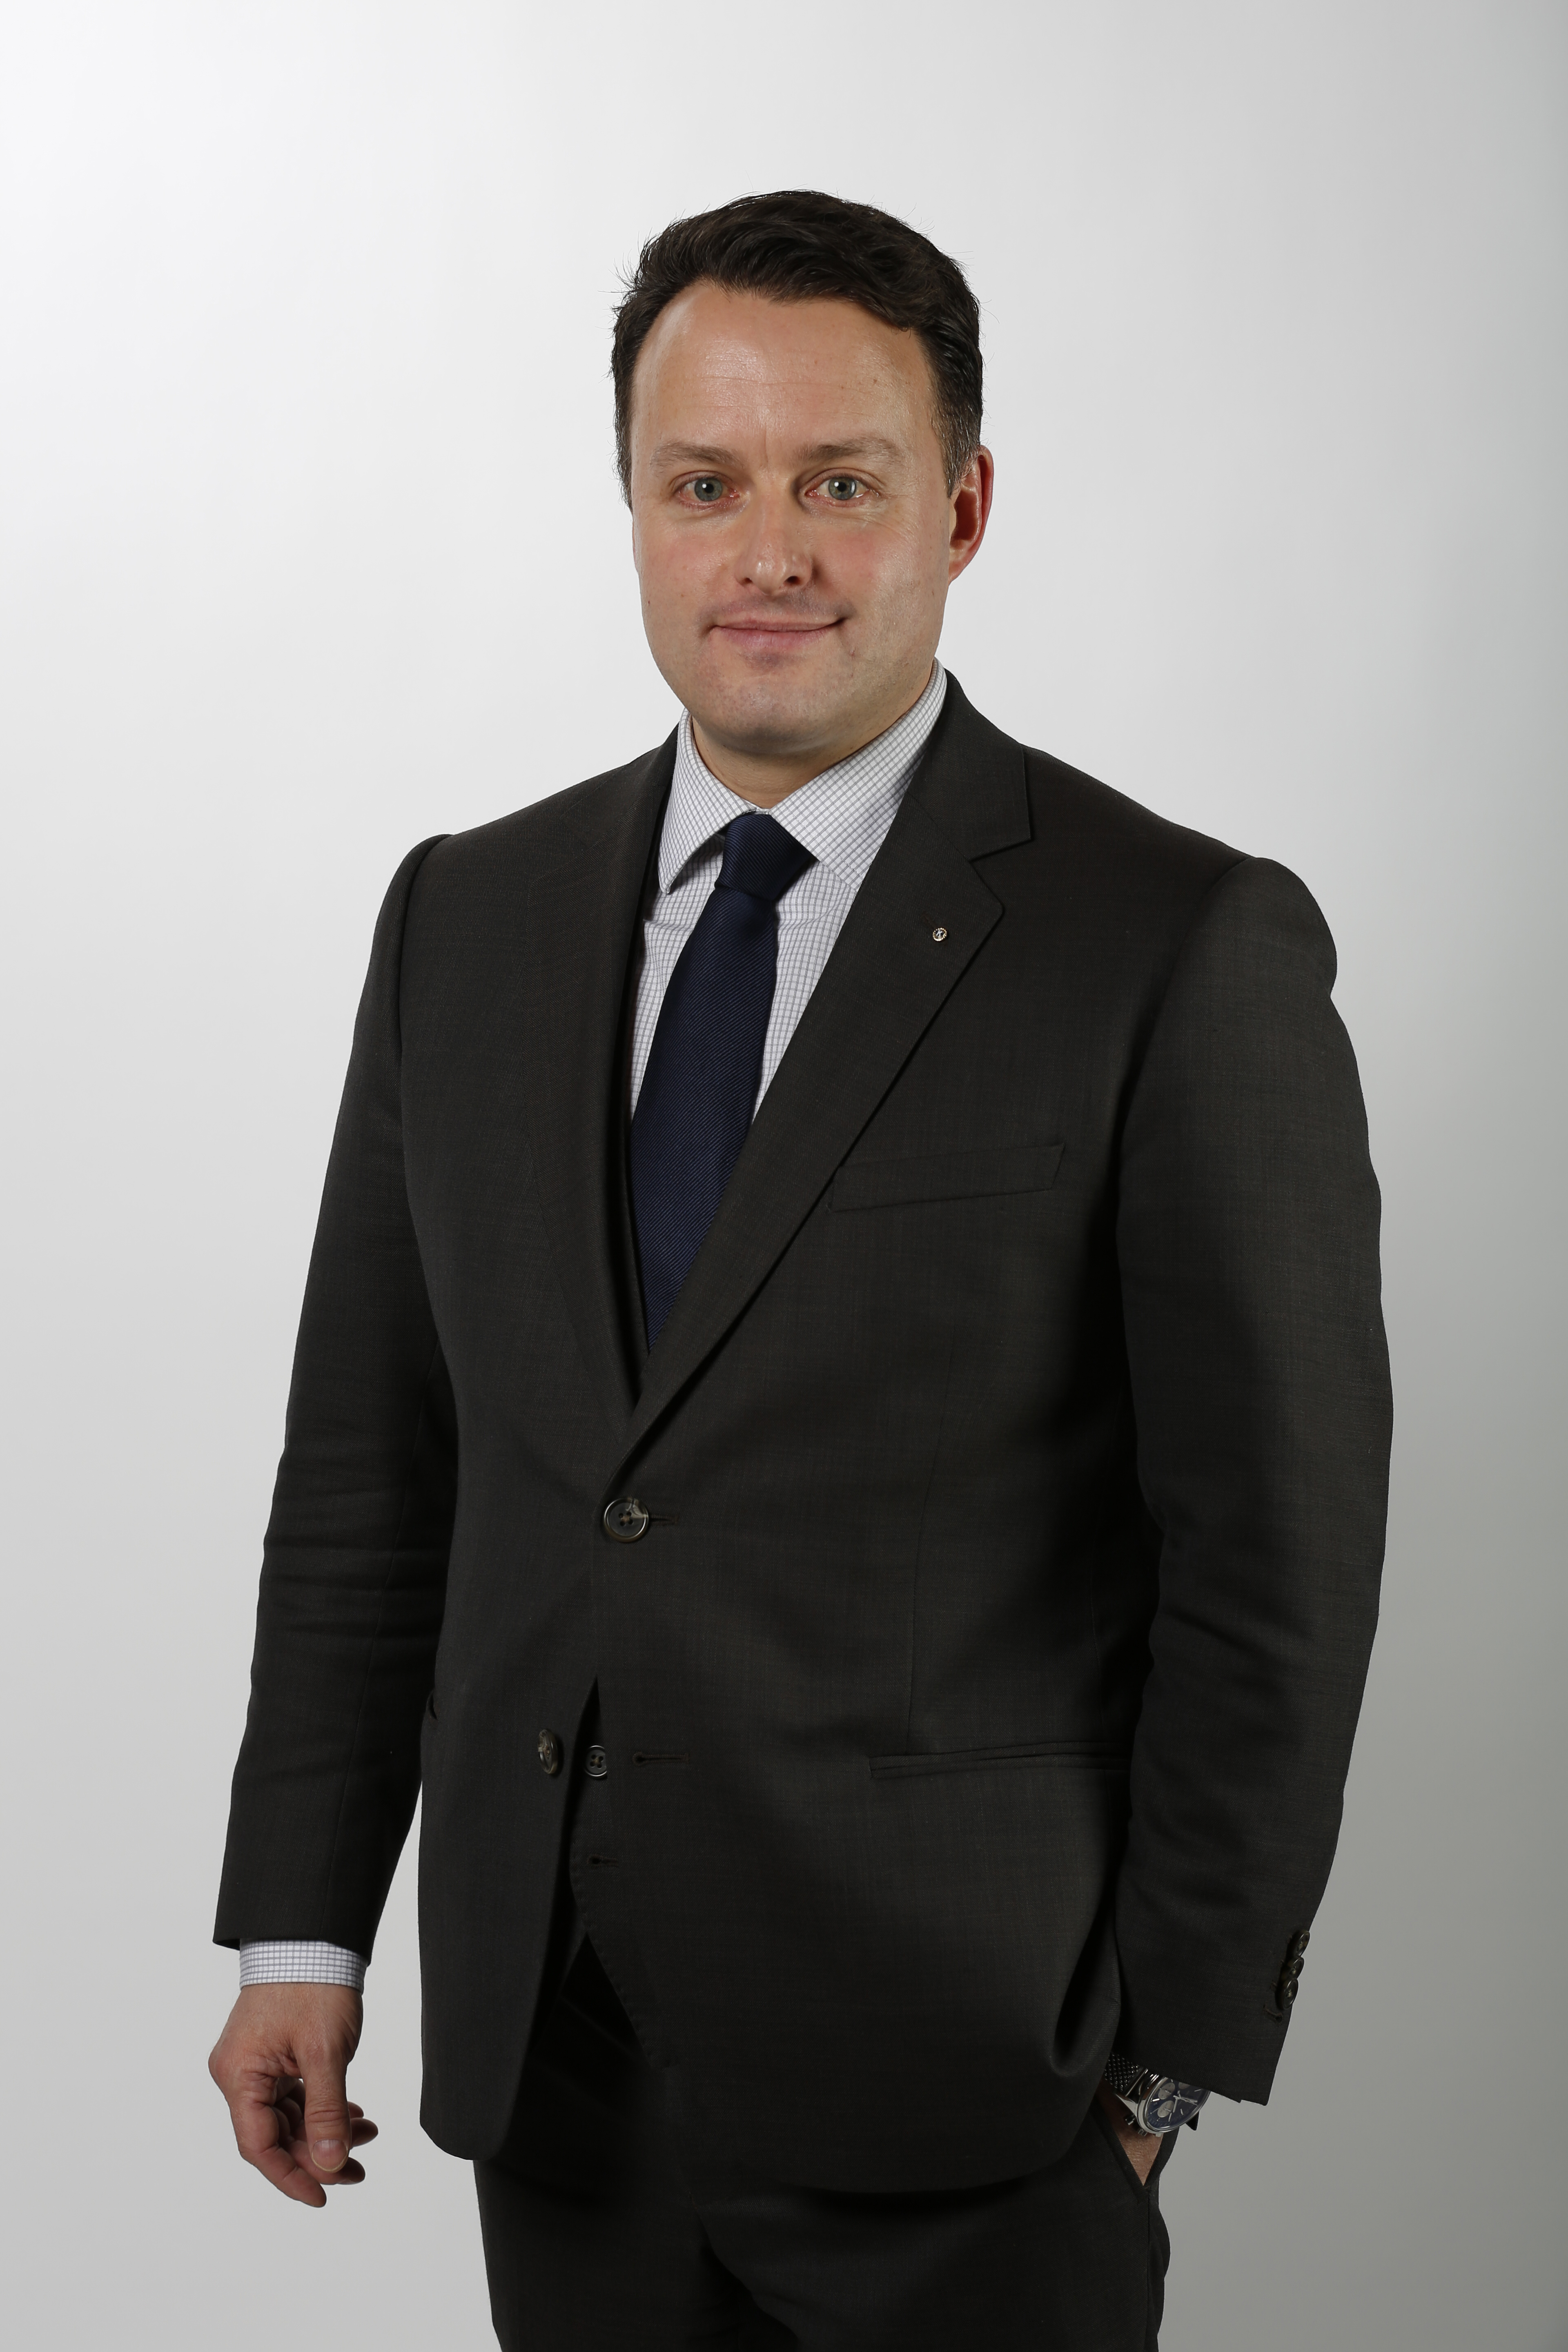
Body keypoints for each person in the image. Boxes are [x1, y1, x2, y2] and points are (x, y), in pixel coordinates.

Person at [209, 190, 1392, 2350]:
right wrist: (305, 1929)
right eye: (706, 485)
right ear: (635, 512)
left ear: (962, 508)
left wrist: (1161, 2073)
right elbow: (376, 1469)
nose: (770, 552)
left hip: (978, 2097)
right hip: (559, 2077)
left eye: (840, 484)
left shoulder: (1173, 943)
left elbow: (1272, 1566)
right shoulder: (464, 920)